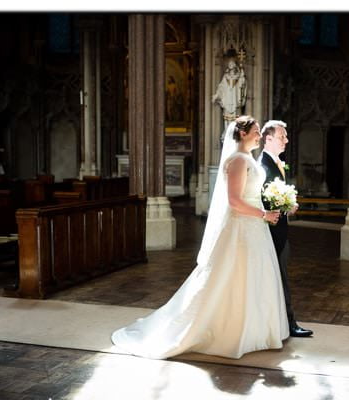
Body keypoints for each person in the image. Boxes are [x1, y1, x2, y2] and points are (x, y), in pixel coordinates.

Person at [112, 116, 288, 359]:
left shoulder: (247, 159)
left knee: (255, 277)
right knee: (233, 278)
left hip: (255, 228)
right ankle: (229, 331)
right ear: (243, 134)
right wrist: (263, 214)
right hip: (241, 230)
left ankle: (256, 330)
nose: (259, 135)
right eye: (256, 131)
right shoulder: (237, 160)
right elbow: (235, 202)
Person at [259, 120, 313, 338]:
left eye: (286, 136)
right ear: (268, 139)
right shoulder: (262, 166)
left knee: (279, 278)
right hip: (270, 232)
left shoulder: (276, 162)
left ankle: (279, 323)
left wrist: (288, 205)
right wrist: (282, 205)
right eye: (282, 136)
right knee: (280, 278)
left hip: (278, 229)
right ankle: (289, 324)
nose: (287, 140)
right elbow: (260, 198)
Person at [212, 55, 247, 124]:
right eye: (229, 64)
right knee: (227, 118)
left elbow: (242, 85)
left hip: (235, 100)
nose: (230, 65)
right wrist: (216, 95)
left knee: (235, 119)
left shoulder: (238, 76)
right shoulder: (226, 76)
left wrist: (242, 75)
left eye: (232, 64)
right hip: (227, 99)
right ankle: (226, 131)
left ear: (234, 66)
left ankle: (234, 132)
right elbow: (221, 87)